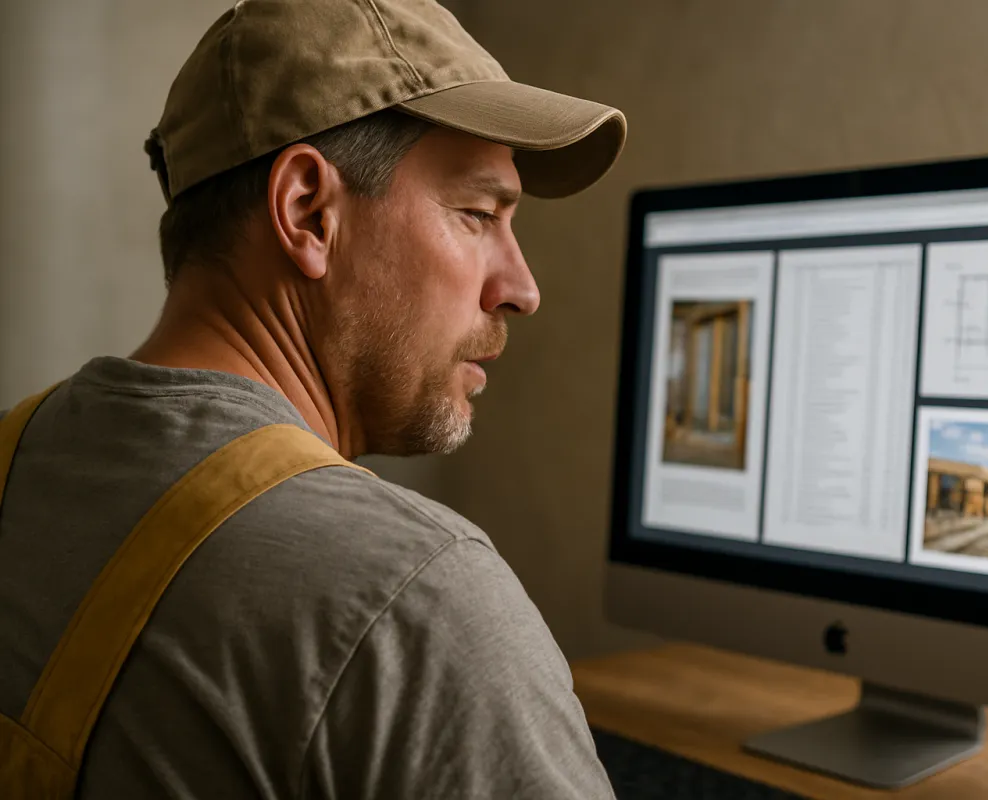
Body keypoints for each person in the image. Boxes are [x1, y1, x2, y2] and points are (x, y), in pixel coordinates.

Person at [0, 1, 626, 797]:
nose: (522, 289)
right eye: (477, 214)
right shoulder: (417, 598)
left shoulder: (14, 457)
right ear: (309, 213)